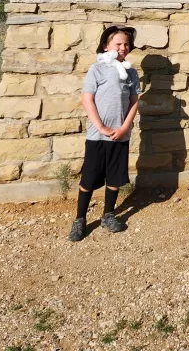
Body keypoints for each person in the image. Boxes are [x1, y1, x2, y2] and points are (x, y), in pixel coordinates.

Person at [69, 25, 140, 242]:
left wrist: (124, 127)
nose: (122, 47)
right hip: (98, 135)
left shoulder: (131, 72)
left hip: (120, 134)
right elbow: (87, 99)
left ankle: (108, 214)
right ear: (106, 45)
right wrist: (101, 127)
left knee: (115, 177)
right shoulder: (97, 69)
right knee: (89, 178)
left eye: (126, 44)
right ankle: (80, 219)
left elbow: (134, 101)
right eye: (118, 43)